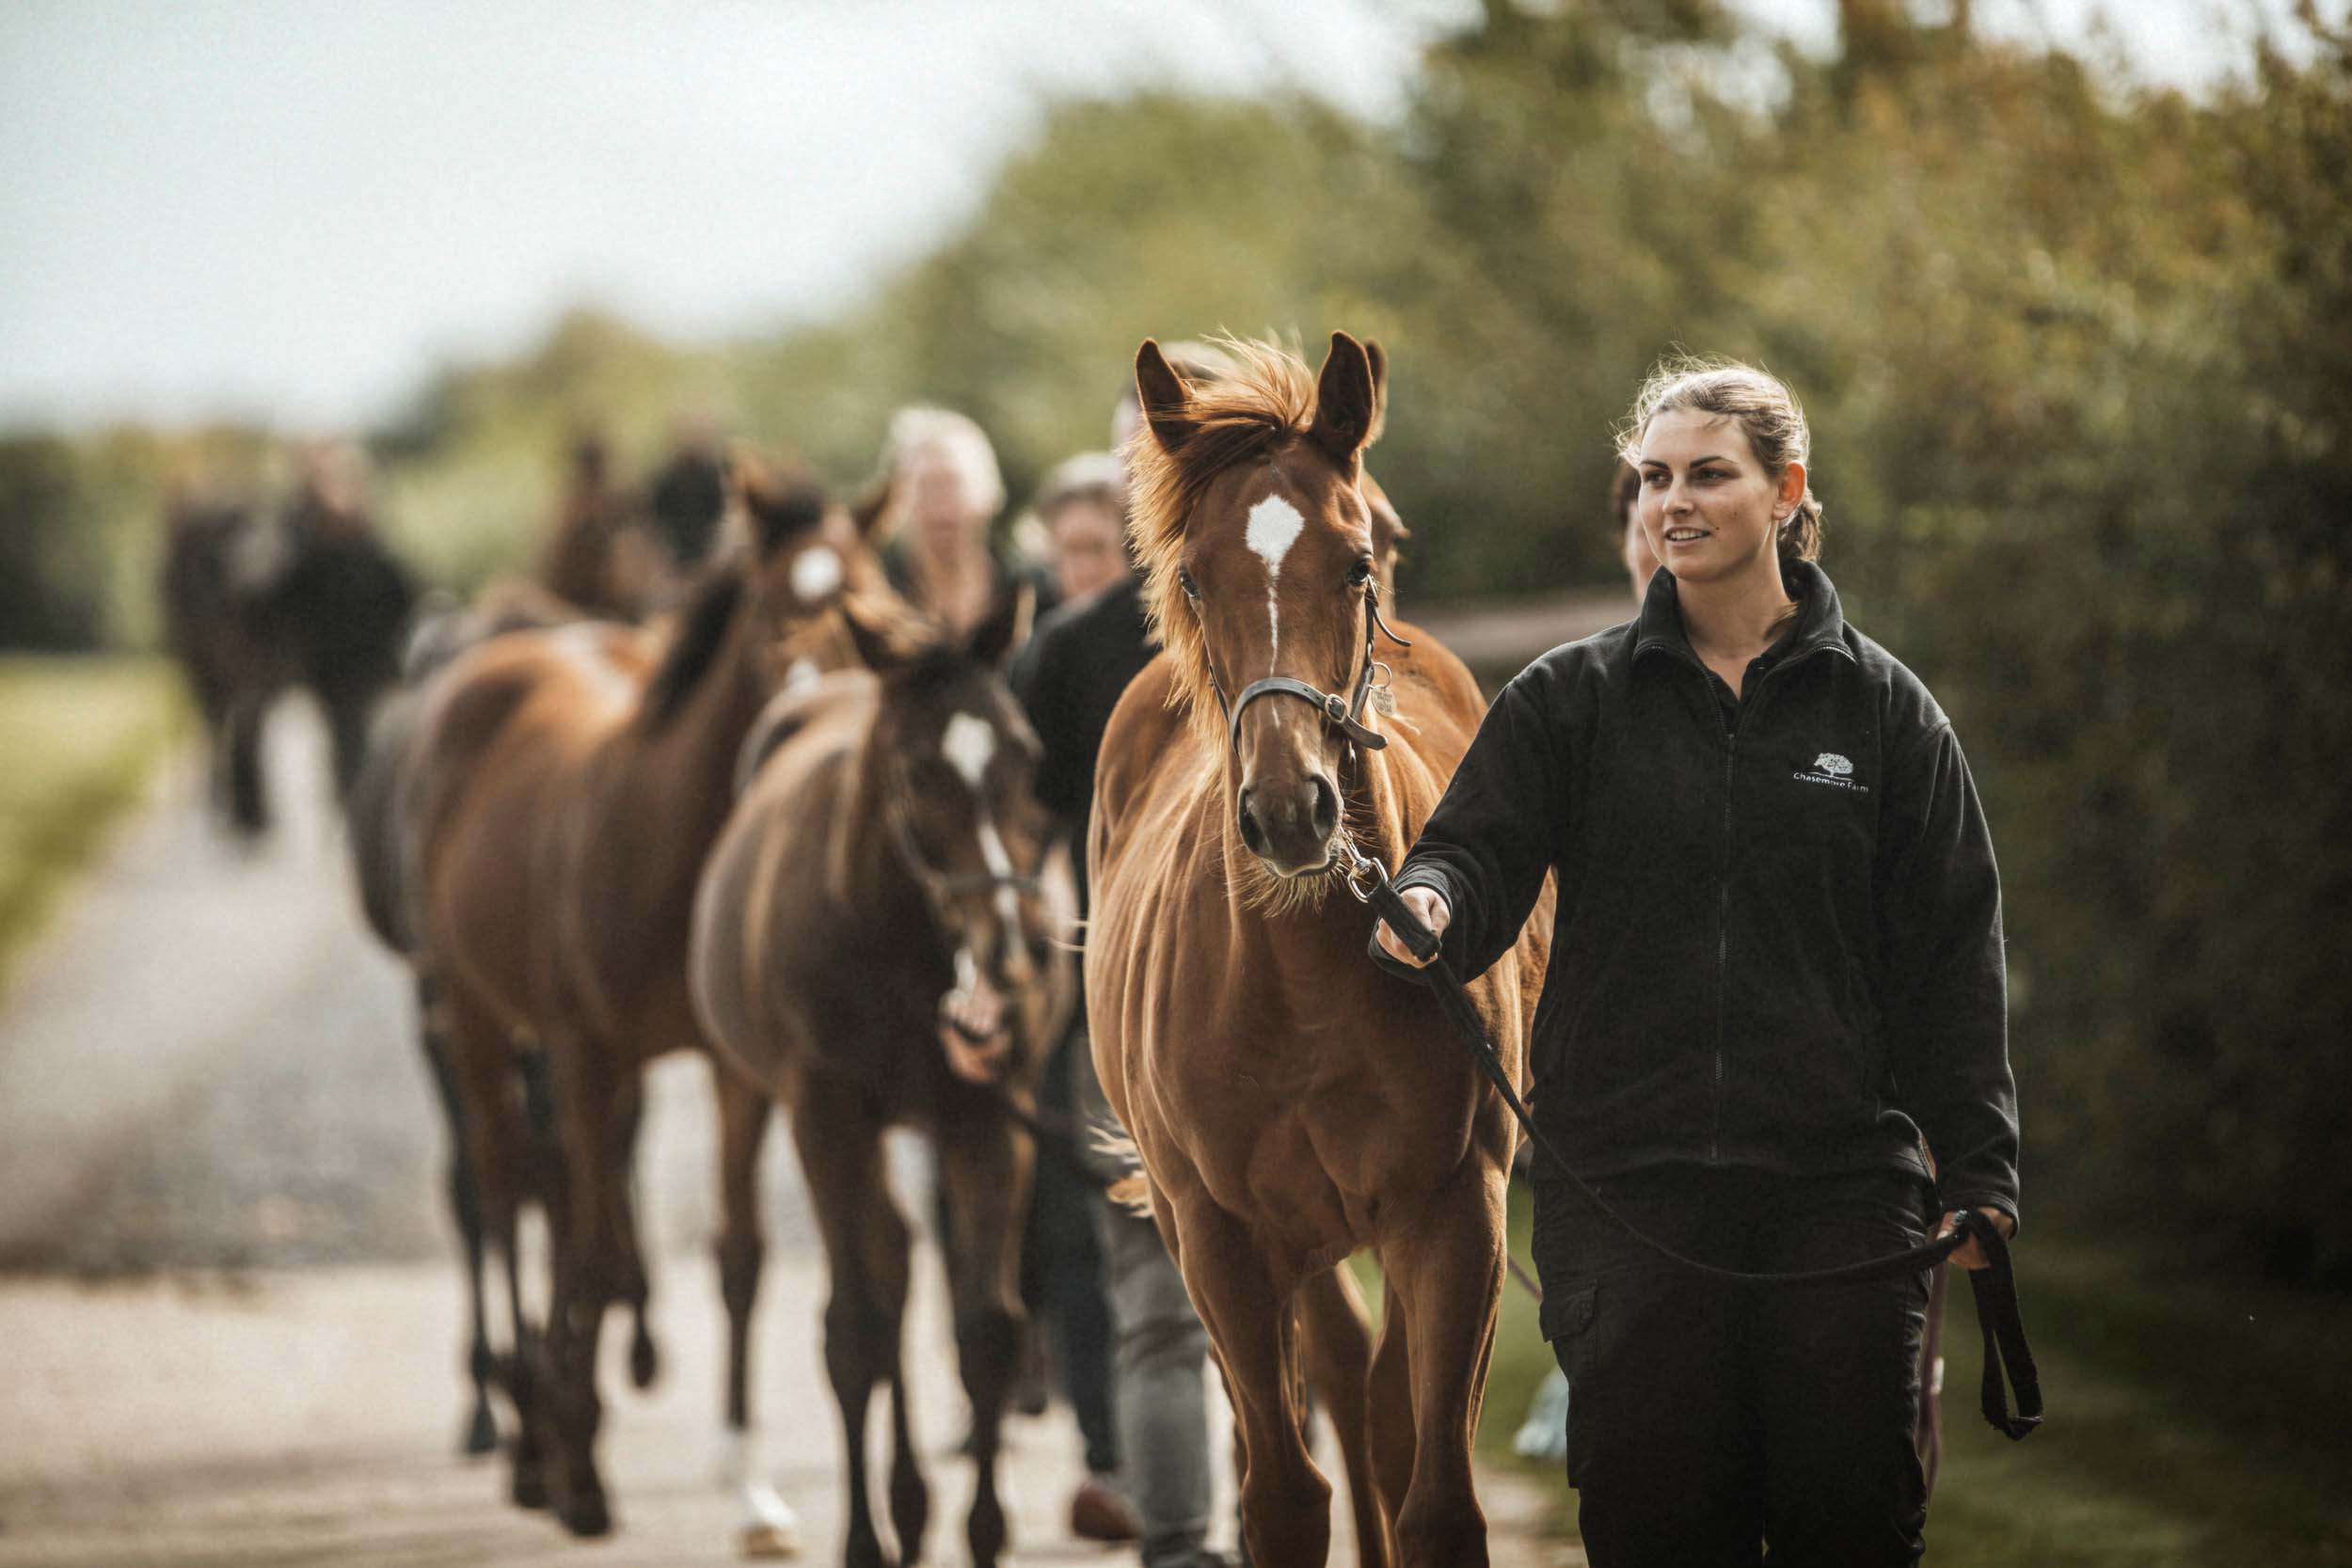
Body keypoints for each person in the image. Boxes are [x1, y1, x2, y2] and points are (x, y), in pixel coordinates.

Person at [1373, 356, 2019, 1566]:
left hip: (1842, 1200)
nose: (1672, 500)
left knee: (1854, 1529)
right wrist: (1426, 899)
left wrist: (1979, 1167)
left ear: (1786, 490)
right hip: (1628, 1197)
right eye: (1655, 476)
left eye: (1707, 474)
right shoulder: (1569, 701)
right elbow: (1471, 856)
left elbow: (1951, 949)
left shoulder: (1884, 713)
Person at [1002, 350, 1238, 1568]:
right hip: (1133, 1016)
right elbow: (1025, 842)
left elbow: (1024, 837)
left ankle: (1190, 1544)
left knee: (1169, 1307)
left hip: (1160, 1012)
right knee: (1189, 1299)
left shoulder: (1097, 635)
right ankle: (1199, 1537)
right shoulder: (1092, 645)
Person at [881, 406, 1054, 637]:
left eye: (951, 485)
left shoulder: (1033, 592)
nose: (938, 501)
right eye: (923, 487)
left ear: (988, 493)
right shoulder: (878, 599)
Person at [644, 411, 729, 572]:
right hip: (672, 557)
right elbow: (654, 518)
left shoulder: (715, 479)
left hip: (710, 556)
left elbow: (723, 516)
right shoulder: (666, 481)